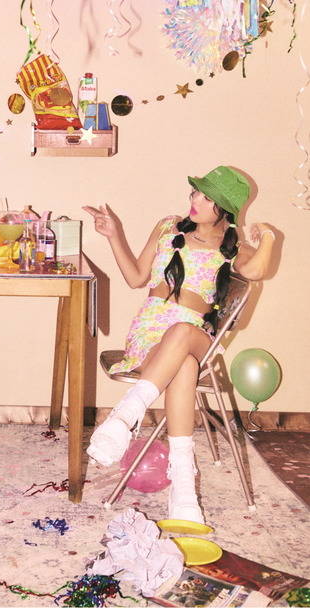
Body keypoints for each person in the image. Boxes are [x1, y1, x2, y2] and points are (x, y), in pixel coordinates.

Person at [83, 166, 275, 523]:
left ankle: (124, 416)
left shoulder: (234, 246)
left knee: (183, 332)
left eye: (205, 196)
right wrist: (113, 234)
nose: (194, 199)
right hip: (149, 331)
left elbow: (257, 271)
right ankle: (184, 488)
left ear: (225, 208)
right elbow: (136, 278)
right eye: (195, 192)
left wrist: (268, 237)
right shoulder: (168, 227)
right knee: (184, 365)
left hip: (197, 334)